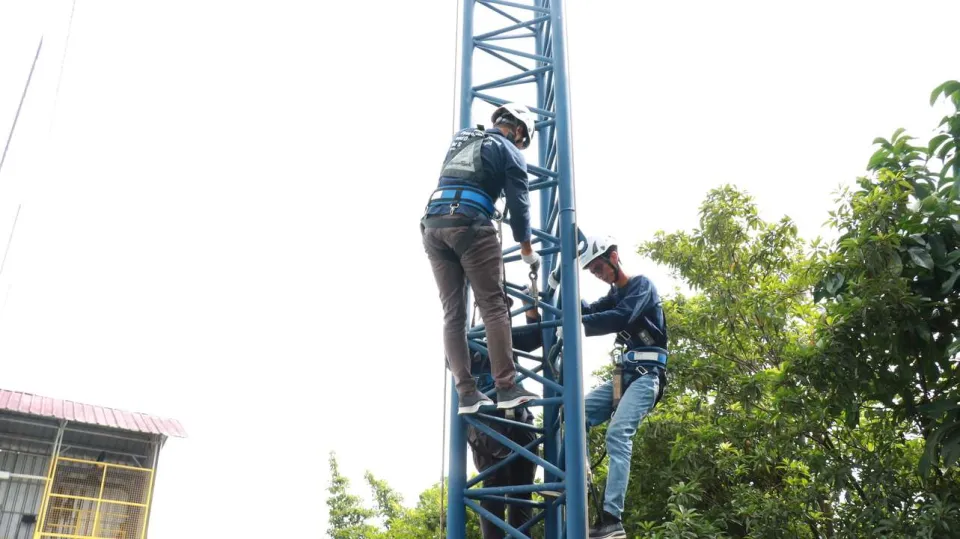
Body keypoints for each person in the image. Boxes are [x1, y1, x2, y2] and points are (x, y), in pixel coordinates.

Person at [421, 103, 542, 414]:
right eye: (522, 140)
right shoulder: (510, 151)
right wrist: (526, 250)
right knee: (493, 305)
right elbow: (519, 207)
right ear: (518, 130)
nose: (520, 145)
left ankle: (467, 392)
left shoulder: (463, 138)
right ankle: (507, 386)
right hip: (471, 223)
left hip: (434, 225)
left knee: (453, 313)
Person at [573, 236, 669, 539]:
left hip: (646, 376)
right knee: (575, 414)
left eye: (599, 267)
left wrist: (577, 324)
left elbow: (619, 317)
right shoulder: (615, 294)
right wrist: (565, 301)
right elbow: (589, 311)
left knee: (618, 434)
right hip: (623, 375)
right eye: (592, 272)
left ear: (614, 257)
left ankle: (612, 518)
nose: (598, 274)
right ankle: (573, 479)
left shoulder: (641, 286)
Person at [466, 294, 543, 538]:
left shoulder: (509, 337)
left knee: (522, 488)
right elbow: (451, 359)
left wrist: (530, 309)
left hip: (518, 419)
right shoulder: (471, 340)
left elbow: (535, 336)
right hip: (487, 423)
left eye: (505, 308)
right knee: (495, 484)